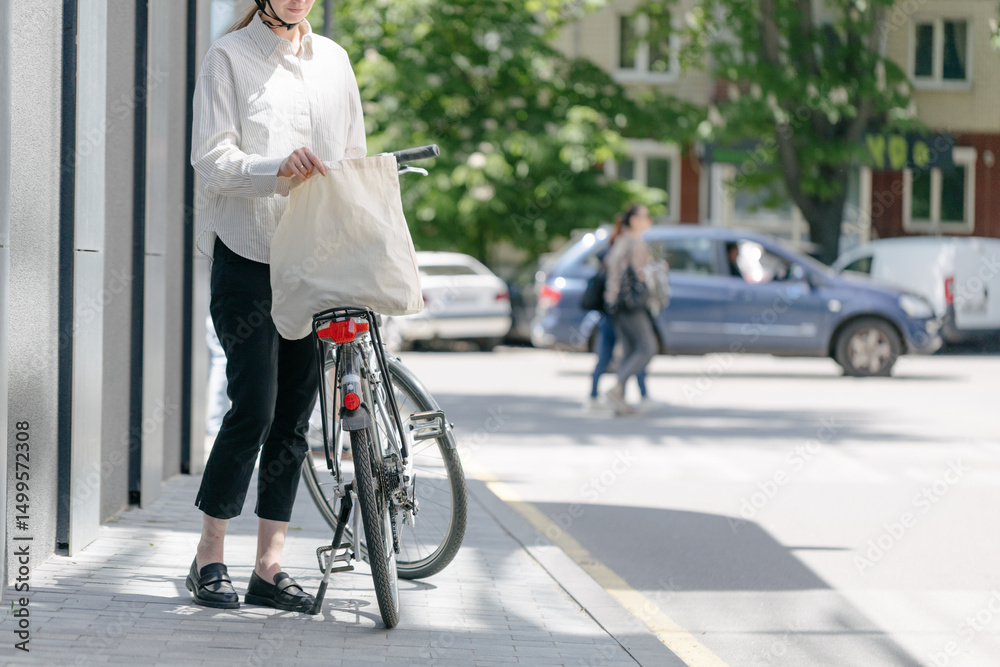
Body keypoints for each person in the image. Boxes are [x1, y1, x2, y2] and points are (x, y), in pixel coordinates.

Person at [187, 0, 366, 612]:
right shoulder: (227, 57)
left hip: (313, 259)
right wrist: (276, 169)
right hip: (248, 253)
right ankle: (210, 556)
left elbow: (352, 162)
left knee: (295, 414)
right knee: (255, 407)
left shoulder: (336, 63)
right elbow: (211, 162)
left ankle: (269, 567)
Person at [602, 205, 660, 416]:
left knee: (628, 349)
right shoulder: (635, 243)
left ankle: (620, 401)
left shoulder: (620, 240)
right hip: (632, 304)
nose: (649, 221)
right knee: (647, 346)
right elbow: (641, 275)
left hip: (616, 304)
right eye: (646, 216)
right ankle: (616, 388)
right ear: (634, 220)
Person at [586, 246, 648, 411]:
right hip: (615, 322)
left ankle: (595, 396)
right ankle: (641, 395)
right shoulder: (612, 275)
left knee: (611, 358)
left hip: (607, 320)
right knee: (633, 355)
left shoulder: (604, 274)